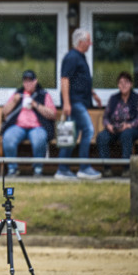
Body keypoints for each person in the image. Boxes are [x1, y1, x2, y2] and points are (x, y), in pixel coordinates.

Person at [56, 28, 103, 180]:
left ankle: (62, 169)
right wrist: (67, 103)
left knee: (71, 135)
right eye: (89, 40)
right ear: (81, 42)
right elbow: (65, 80)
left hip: (80, 101)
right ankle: (84, 167)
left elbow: (81, 80)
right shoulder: (72, 57)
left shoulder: (80, 57)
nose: (91, 43)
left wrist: (93, 94)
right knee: (88, 130)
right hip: (75, 102)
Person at [0, 69, 57, 177]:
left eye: (30, 80)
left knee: (39, 139)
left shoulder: (43, 94)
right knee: (8, 138)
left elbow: (52, 114)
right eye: (25, 81)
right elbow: (5, 112)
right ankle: (12, 169)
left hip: (37, 127)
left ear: (35, 81)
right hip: (18, 126)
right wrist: (14, 101)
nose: (28, 83)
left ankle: (38, 169)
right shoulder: (18, 94)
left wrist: (35, 104)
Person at [96, 71, 138, 177]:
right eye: (121, 82)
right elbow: (105, 116)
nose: (123, 85)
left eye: (126, 82)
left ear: (131, 84)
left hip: (132, 128)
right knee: (101, 137)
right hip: (115, 128)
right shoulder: (113, 98)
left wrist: (128, 125)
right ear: (118, 85)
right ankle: (107, 168)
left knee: (126, 135)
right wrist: (108, 125)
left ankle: (126, 169)